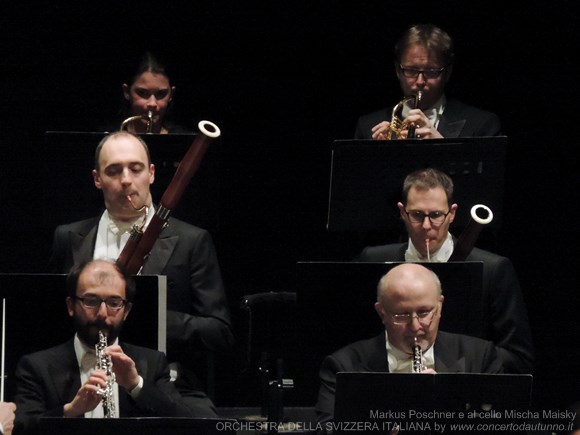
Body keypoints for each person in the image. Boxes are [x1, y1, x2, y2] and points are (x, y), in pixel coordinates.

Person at [48, 131, 233, 399]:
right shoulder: (67, 238)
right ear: (97, 179)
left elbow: (220, 332)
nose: (126, 180)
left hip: (164, 386)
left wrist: (151, 318)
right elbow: (51, 319)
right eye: (113, 170)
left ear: (152, 173)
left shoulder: (193, 241)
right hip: (79, 383)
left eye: (136, 169)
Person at [356, 168, 534, 374]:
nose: (426, 226)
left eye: (436, 215)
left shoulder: (493, 269)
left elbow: (518, 357)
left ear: (452, 214)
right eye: (416, 215)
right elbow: (361, 340)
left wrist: (457, 368)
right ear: (402, 212)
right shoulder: (372, 260)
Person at [13, 259, 215, 434]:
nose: (102, 313)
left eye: (114, 302)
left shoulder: (151, 363)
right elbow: (19, 428)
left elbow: (184, 424)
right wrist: (70, 411)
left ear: (126, 310)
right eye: (90, 301)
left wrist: (136, 385)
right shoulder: (36, 366)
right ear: (70, 306)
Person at [316, 263, 503, 427]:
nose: (415, 326)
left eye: (424, 312)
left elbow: (500, 427)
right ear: (382, 313)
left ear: (440, 307)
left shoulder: (481, 357)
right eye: (401, 315)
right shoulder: (343, 367)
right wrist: (399, 414)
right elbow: (326, 430)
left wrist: (447, 406)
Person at [354, 24, 501, 140]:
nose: (419, 81)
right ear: (398, 71)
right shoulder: (367, 126)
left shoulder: (481, 124)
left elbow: (485, 178)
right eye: (411, 70)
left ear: (447, 73)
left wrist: (441, 146)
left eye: (431, 71)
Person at [108, 51, 191, 134]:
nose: (152, 104)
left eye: (161, 94)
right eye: (142, 93)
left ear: (171, 94)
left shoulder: (185, 141)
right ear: (127, 92)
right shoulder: (106, 138)